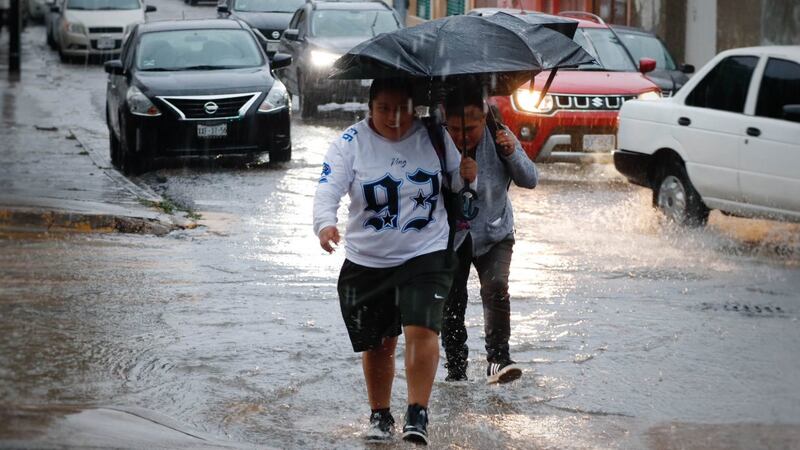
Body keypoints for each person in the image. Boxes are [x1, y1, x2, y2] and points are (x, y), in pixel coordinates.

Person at [313, 78, 477, 445]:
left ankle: (417, 412)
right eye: (383, 108)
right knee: (379, 343)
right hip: (367, 260)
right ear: (369, 107)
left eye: (401, 108)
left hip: (426, 252)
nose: (392, 117)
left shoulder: (433, 135)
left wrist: (467, 175)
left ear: (414, 107)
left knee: (423, 329)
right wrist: (325, 225)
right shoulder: (348, 144)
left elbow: (458, 185)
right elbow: (328, 188)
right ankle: (380, 414)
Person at [441, 88, 538, 385]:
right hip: (450, 235)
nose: (462, 136)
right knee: (451, 301)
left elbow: (530, 179)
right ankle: (456, 369)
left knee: (495, 286)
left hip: (495, 231)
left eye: (469, 128)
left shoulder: (500, 135)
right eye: (455, 129)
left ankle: (498, 359)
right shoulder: (436, 141)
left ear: (483, 119)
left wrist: (510, 153)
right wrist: (457, 175)